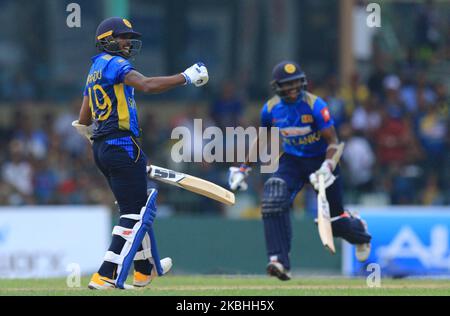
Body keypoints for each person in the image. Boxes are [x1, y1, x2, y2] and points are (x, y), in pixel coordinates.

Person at [72, 17, 209, 290]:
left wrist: (91, 136)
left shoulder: (94, 70)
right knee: (134, 214)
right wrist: (186, 77)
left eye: (129, 37)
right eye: (122, 37)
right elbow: (146, 85)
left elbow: (83, 118)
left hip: (103, 147)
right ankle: (106, 273)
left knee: (136, 205)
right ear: (106, 40)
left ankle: (145, 270)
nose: (127, 42)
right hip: (122, 144)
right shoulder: (115, 63)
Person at [228, 61, 371, 280]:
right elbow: (262, 139)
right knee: (273, 197)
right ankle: (279, 261)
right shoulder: (270, 109)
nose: (293, 88)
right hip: (293, 161)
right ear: (278, 87)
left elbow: (333, 141)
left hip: (321, 160)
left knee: (334, 222)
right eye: (287, 84)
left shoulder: (315, 105)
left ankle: (359, 230)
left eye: (296, 82)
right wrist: (243, 168)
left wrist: (327, 167)